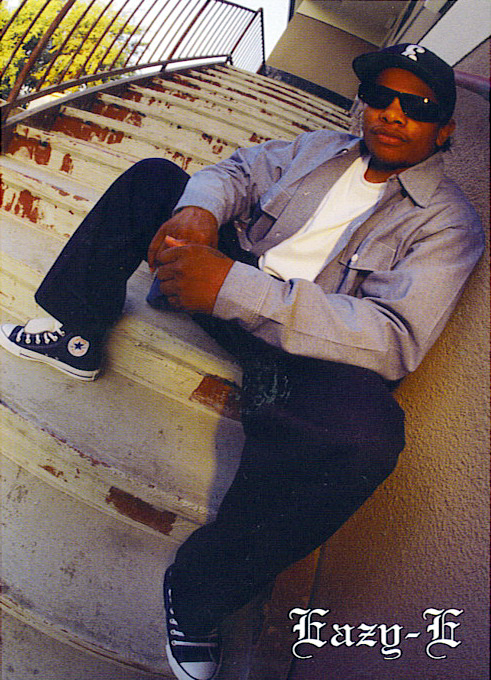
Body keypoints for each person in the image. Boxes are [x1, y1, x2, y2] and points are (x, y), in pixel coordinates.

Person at [0, 43, 484, 680]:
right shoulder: (320, 148)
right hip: (221, 278)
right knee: (157, 179)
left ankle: (199, 595)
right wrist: (201, 211)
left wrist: (234, 286)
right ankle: (77, 333)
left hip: (303, 345)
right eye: (381, 97)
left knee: (367, 437)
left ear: (444, 129)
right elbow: (235, 171)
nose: (393, 113)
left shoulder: (449, 224)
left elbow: (393, 336)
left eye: (416, 106)